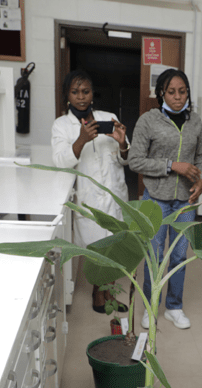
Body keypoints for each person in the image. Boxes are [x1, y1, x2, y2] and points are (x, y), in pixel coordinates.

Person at [128, 69, 202, 330]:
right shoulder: (148, 121)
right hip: (156, 198)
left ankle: (174, 307)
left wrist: (201, 181)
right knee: (154, 255)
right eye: (171, 92)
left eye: (182, 91)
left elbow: (200, 159)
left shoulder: (194, 121)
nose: (177, 97)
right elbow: (135, 160)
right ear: (161, 93)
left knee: (179, 255)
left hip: (185, 200)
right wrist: (172, 166)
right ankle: (151, 307)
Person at [52, 69, 130, 314]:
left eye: (85, 91)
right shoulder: (62, 126)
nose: (81, 97)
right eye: (75, 92)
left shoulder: (108, 117)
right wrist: (81, 139)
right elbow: (60, 161)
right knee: (97, 248)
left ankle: (110, 293)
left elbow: (126, 157)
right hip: (89, 198)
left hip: (114, 194)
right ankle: (99, 292)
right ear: (68, 95)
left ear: (92, 94)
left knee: (115, 245)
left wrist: (122, 143)